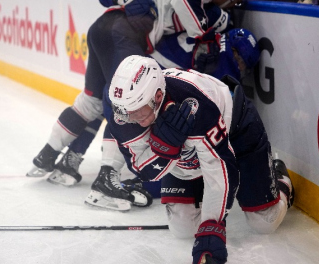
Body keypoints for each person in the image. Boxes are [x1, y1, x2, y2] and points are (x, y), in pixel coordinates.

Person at [105, 55, 295, 264]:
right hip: (189, 155)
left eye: (137, 109)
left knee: (264, 222)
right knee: (182, 227)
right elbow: (146, 172)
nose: (130, 117)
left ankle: (280, 180)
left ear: (158, 97)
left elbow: (220, 166)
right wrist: (164, 148)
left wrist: (212, 224)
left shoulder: (196, 106)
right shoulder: (122, 115)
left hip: (237, 131)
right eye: (124, 111)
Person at [26, 0, 226, 197]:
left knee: (91, 103)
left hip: (102, 26)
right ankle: (106, 177)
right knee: (123, 104)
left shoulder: (210, 12)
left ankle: (49, 154)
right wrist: (203, 37)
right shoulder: (209, 14)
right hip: (123, 34)